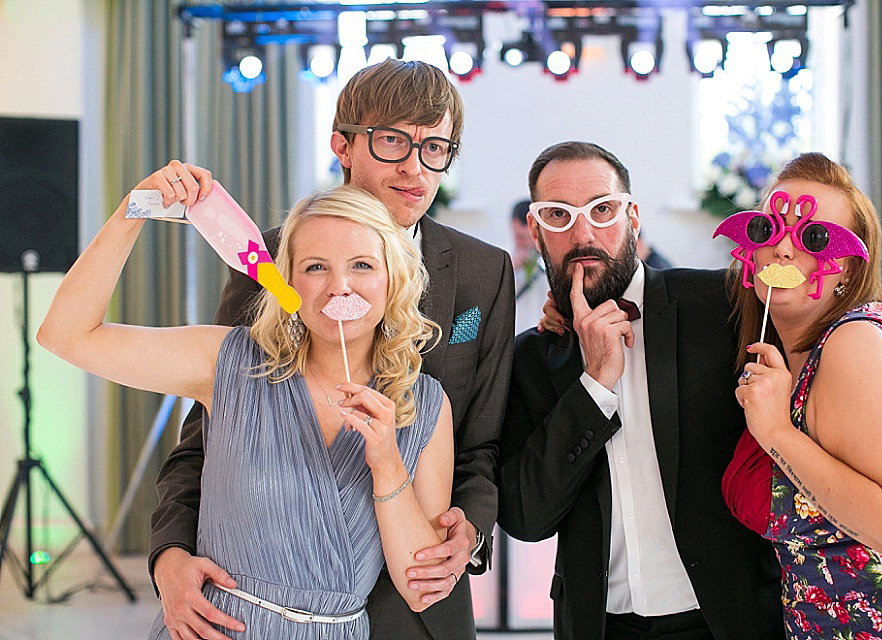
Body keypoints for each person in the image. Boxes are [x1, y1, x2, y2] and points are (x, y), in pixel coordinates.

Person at [149, 60, 514, 640]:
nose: (415, 167)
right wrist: (168, 556)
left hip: (416, 599)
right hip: (263, 604)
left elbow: (481, 444)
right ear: (343, 145)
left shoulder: (482, 270)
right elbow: (206, 437)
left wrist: (465, 530)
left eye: (436, 147)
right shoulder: (269, 261)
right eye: (393, 141)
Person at [37, 168, 454, 639]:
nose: (340, 286)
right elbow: (66, 335)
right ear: (286, 281)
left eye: (362, 265)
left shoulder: (426, 406)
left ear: (392, 279)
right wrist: (135, 209)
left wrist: (387, 465)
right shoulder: (228, 363)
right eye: (316, 267)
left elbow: (420, 587)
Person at [497, 141, 783, 640]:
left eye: (601, 209)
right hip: (599, 625)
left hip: (728, 618)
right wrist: (595, 387)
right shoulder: (531, 360)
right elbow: (526, 518)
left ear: (632, 216)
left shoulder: (722, 305)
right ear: (538, 231)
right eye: (559, 216)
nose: (583, 233)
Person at [721, 152, 882, 639]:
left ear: (849, 269)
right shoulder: (792, 356)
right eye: (770, 229)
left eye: (813, 238)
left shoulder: (853, 344)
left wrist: (776, 433)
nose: (784, 251)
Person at [511, 198, 550, 334]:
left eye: (529, 238)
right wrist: (510, 268)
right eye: (520, 237)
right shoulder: (504, 258)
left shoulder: (550, 261)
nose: (526, 244)